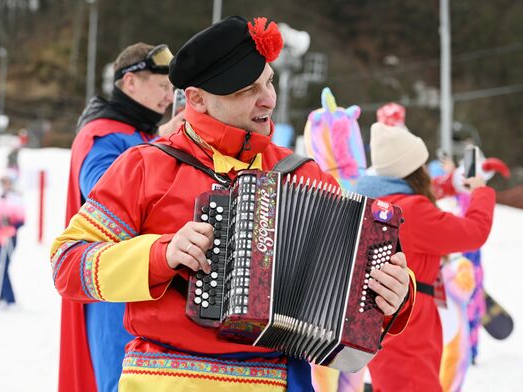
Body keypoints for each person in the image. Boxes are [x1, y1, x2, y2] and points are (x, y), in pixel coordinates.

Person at [52, 16, 414, 391]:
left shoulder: (305, 175)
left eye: (269, 81)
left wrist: (396, 295)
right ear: (197, 98)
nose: (268, 99)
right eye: (246, 90)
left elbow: (358, 302)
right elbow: (67, 264)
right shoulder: (145, 166)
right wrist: (160, 255)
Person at [60, 42, 184, 392]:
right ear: (130, 82)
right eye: (162, 87)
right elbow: (104, 190)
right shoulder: (101, 134)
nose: (167, 97)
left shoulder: (141, 133)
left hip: (147, 281)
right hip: (114, 288)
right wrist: (163, 141)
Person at [356, 122, 495, 391]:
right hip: (413, 324)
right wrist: (480, 192)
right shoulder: (413, 210)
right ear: (414, 171)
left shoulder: (377, 205)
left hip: (383, 325)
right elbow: (474, 232)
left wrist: (454, 180)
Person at [0, 169, 25, 306]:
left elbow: (21, 220)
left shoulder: (16, 199)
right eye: (3, 182)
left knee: (3, 267)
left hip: (8, 238)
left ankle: (9, 299)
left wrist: (10, 225)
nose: (5, 184)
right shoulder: (0, 197)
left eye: (7, 182)